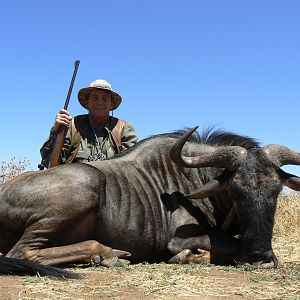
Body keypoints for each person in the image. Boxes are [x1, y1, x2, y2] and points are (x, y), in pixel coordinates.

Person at [40, 79, 138, 168]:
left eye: (105, 98)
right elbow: (48, 162)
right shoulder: (72, 125)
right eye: (94, 97)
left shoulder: (124, 129)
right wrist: (55, 130)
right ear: (87, 102)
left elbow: (131, 168)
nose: (99, 102)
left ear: (111, 104)